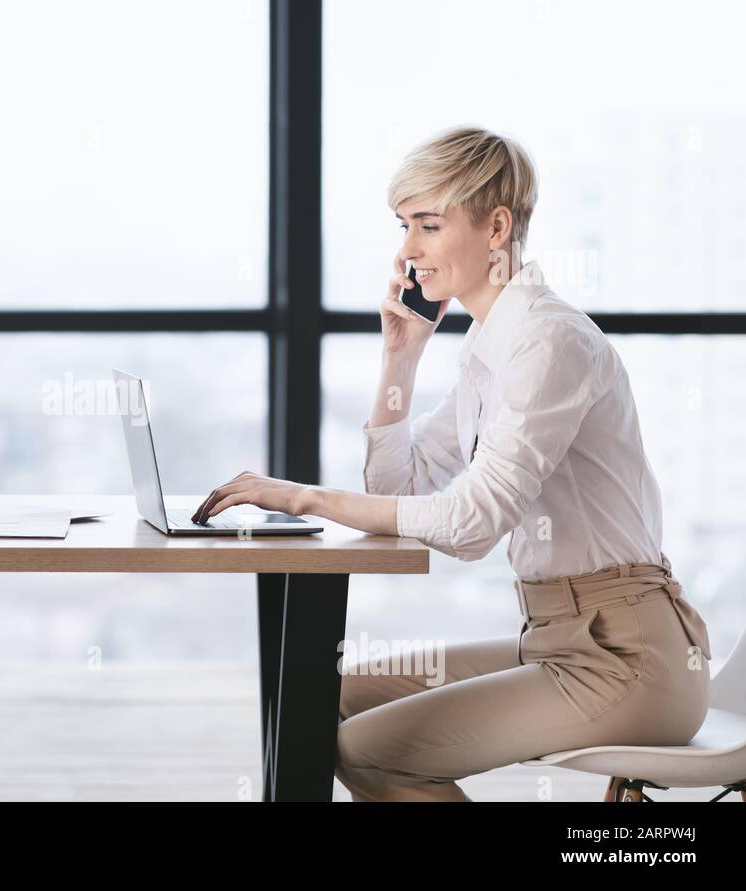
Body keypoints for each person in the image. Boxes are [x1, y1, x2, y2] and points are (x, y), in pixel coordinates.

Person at [191, 126, 713, 801]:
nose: (407, 249)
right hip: (556, 638)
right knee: (327, 696)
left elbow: (470, 525)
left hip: (630, 659)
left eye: (429, 225)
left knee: (368, 752)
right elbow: (397, 489)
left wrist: (305, 497)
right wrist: (402, 356)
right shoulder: (493, 348)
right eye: (405, 225)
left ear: (496, 227)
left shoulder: (548, 343)